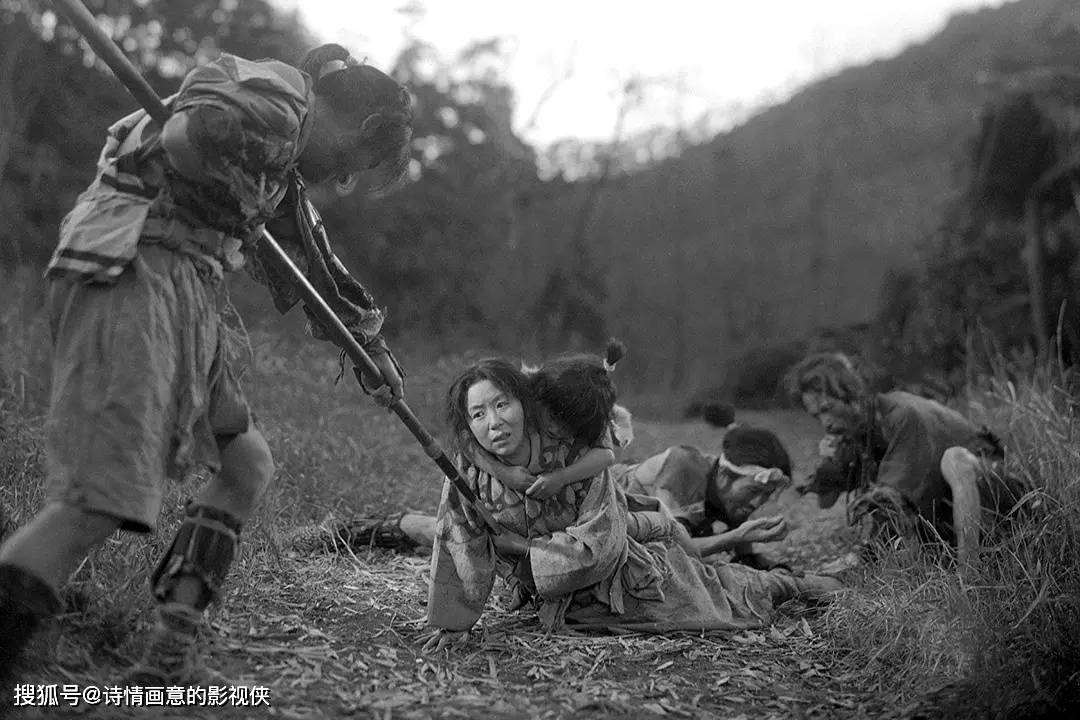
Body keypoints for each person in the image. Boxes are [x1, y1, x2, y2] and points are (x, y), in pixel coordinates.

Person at [0, 43, 413, 686]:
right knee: (98, 502)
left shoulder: (285, 134)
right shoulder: (276, 102)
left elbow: (307, 256)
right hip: (134, 267)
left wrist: (370, 348)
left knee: (246, 464)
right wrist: (223, 166)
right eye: (357, 166)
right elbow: (191, 134)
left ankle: (167, 654)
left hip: (187, 282)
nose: (345, 180)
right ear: (362, 129)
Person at [423, 358, 839, 648]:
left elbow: (600, 547)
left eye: (501, 404)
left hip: (625, 579)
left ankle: (791, 583)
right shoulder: (469, 471)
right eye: (477, 414)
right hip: (556, 598)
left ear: (523, 403)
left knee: (716, 596)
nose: (493, 422)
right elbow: (458, 538)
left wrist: (523, 550)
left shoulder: (575, 454)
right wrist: (452, 622)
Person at [783, 352, 1029, 565]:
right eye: (817, 416)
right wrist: (830, 460)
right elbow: (826, 500)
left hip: (1005, 506)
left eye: (827, 409)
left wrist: (864, 558)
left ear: (850, 394)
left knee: (955, 461)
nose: (825, 423)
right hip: (955, 523)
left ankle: (970, 573)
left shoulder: (902, 414)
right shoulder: (858, 430)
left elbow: (892, 503)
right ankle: (951, 558)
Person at [611, 424, 793, 567]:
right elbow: (674, 549)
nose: (757, 503)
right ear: (723, 476)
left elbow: (742, 550)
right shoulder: (684, 468)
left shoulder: (729, 492)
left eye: (766, 495)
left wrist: (748, 556)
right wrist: (736, 537)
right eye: (753, 491)